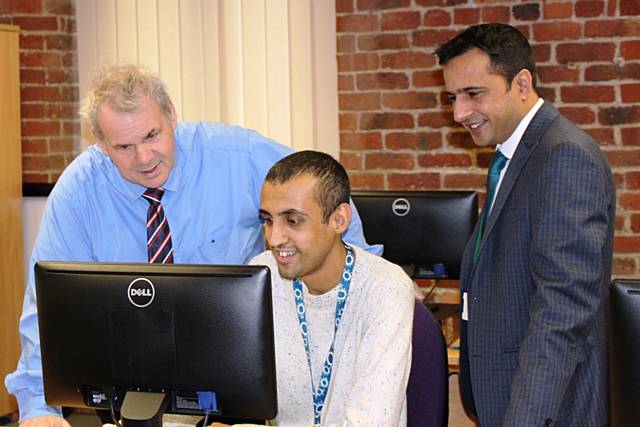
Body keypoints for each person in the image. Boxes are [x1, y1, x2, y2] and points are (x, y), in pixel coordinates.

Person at [5, 65, 379, 427]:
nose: (144, 157)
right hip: (128, 389)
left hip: (231, 379)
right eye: (124, 146)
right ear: (101, 144)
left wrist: (368, 288)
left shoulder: (240, 156)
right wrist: (39, 407)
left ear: (171, 116)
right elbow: (47, 304)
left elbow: (326, 201)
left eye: (152, 136)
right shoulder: (79, 191)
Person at [435, 23, 615, 426]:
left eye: (473, 94)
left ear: (521, 83)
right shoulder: (511, 156)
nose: (459, 113)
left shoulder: (564, 156)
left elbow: (562, 310)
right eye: (452, 97)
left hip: (548, 411)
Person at [217, 150, 413, 426]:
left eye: (293, 221)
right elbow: (225, 385)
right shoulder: (264, 273)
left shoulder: (384, 288)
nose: (274, 238)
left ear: (339, 220)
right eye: (268, 220)